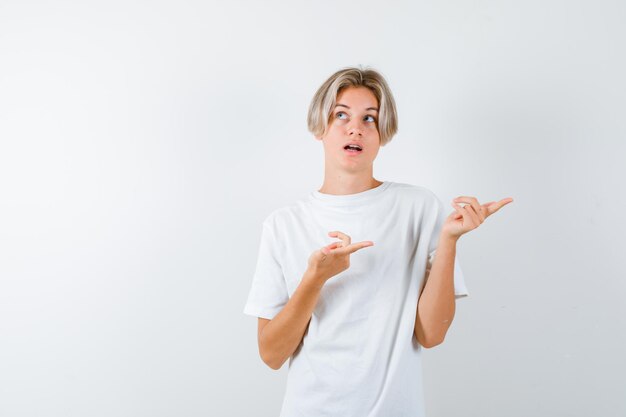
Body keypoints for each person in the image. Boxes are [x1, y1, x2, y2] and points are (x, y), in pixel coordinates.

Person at [243, 66, 513, 416]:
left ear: (382, 133)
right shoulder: (283, 225)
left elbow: (431, 335)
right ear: (319, 128)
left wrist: (448, 241)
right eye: (341, 115)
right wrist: (316, 278)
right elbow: (271, 354)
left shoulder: (418, 207)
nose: (355, 127)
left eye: (369, 119)